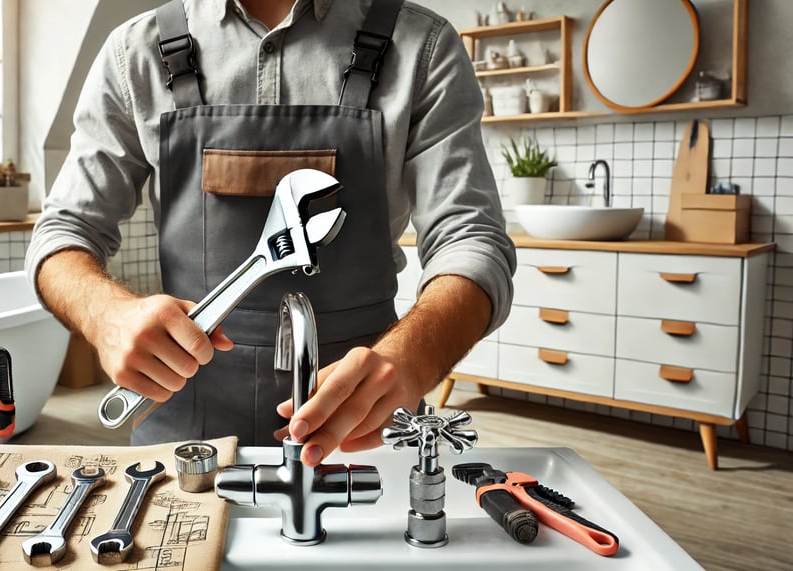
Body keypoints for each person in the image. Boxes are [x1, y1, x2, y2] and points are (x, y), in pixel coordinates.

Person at [25, 0, 516, 467]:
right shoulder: (135, 52)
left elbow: (472, 242)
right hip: (182, 440)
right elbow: (63, 231)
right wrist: (106, 315)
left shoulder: (422, 45)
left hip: (364, 437)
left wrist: (413, 358)